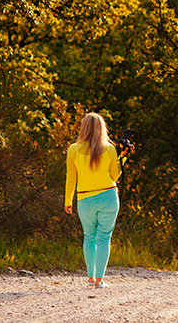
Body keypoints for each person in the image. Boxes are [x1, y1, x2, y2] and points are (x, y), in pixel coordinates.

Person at [65, 112, 124, 288]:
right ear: (102, 128)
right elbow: (116, 175)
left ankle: (91, 278)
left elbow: (71, 178)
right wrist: (123, 157)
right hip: (108, 197)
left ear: (83, 128)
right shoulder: (110, 149)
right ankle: (100, 280)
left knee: (89, 237)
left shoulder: (73, 149)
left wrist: (68, 201)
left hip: (85, 199)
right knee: (104, 238)